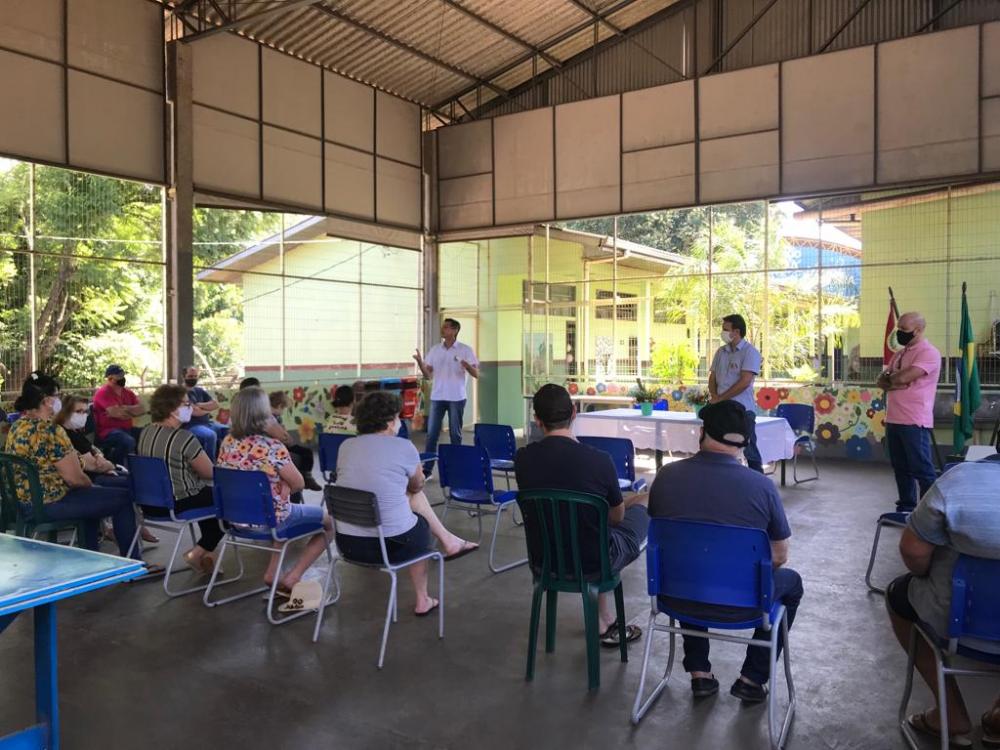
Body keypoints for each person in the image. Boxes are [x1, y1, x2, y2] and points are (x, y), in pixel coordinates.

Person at [647, 399, 802, 703]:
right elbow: (780, 555)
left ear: (701, 432)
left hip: (673, 596)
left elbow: (661, 538)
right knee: (792, 583)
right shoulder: (761, 487)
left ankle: (699, 674)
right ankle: (752, 679)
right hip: (745, 604)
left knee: (691, 565)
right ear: (744, 443)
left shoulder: (666, 477)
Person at [514, 383, 650, 647]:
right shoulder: (598, 461)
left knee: (584, 525)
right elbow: (617, 519)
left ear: (537, 420)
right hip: (595, 561)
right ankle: (607, 620)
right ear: (574, 413)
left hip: (546, 559)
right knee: (643, 506)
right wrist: (635, 502)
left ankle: (604, 619)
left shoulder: (523, 459)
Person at [885, 459, 1000, 747]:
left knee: (899, 594)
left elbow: (912, 550)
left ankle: (949, 712)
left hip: (959, 623)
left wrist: (926, 574)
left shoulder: (958, 480)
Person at [334, 391, 479, 616]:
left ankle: (450, 541)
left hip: (347, 543)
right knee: (419, 522)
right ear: (391, 421)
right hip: (389, 546)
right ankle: (423, 599)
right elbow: (418, 485)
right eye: (398, 417)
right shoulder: (403, 447)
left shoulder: (346, 446)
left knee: (408, 499)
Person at [4, 373, 152, 567]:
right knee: (121, 499)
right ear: (47, 401)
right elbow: (75, 479)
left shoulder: (18, 427)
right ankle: (135, 565)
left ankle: (91, 561)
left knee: (92, 499)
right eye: (57, 396)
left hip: (23, 503)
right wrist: (90, 485)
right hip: (49, 504)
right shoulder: (51, 431)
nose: (59, 400)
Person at [217, 387, 333, 594]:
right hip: (272, 519)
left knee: (276, 510)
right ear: (265, 414)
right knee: (329, 522)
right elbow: (299, 484)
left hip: (235, 519)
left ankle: (273, 573)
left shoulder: (227, 442)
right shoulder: (272, 446)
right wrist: (286, 485)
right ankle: (293, 577)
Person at [137, 384, 225, 574]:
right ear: (171, 408)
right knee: (229, 500)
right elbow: (209, 472)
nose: (191, 408)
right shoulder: (184, 437)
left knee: (208, 497)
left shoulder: (146, 432)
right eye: (186, 404)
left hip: (151, 503)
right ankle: (197, 553)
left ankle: (208, 555)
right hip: (179, 501)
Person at [55, 395, 160, 545]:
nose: (83, 416)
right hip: (87, 481)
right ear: (65, 412)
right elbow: (92, 465)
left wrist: (99, 456)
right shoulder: (65, 434)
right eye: (79, 411)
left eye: (86, 412)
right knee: (128, 488)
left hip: (92, 477)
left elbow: (93, 450)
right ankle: (132, 539)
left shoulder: (75, 431)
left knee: (130, 481)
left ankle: (134, 528)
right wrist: (108, 465)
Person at [877, 312, 942, 512]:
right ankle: (906, 506)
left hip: (914, 420)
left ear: (919, 330)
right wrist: (895, 379)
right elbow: (882, 381)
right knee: (900, 468)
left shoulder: (928, 353)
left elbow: (899, 379)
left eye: (904, 330)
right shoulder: (901, 353)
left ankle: (929, 512)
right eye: (899, 328)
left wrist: (895, 379)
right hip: (894, 418)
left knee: (922, 469)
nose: (899, 333)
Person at [413, 318, 479, 475]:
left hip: (457, 397)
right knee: (431, 435)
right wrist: (421, 362)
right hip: (438, 397)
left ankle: (457, 468)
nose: (443, 330)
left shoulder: (465, 350)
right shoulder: (435, 350)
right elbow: (428, 375)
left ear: (455, 330)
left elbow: (476, 374)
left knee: (455, 435)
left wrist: (467, 365)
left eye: (446, 327)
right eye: (442, 327)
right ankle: (427, 471)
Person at [708, 314, 763, 473]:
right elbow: (712, 377)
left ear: (736, 331)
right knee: (720, 448)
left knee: (749, 449)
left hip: (742, 410)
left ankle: (758, 484)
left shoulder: (750, 352)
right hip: (721, 408)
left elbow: (745, 382)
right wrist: (714, 397)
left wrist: (720, 398)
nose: (722, 332)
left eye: (726, 329)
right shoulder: (721, 352)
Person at [92, 364, 146, 466]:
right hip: (107, 432)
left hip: (127, 428)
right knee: (128, 441)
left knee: (147, 433)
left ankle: (140, 465)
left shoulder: (128, 392)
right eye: (119, 376)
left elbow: (142, 409)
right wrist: (131, 412)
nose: (122, 378)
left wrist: (124, 409)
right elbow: (116, 413)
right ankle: (116, 464)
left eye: (123, 375)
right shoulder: (103, 392)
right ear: (110, 378)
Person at [269, 390, 322, 492]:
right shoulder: (272, 418)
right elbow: (284, 437)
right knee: (307, 453)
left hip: (279, 444)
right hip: (279, 446)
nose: (283, 411)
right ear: (280, 406)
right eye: (283, 409)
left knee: (302, 452)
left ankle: (305, 476)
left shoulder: (270, 416)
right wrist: (288, 439)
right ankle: (306, 477)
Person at [182, 366, 228, 459]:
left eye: (195, 376)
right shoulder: (181, 392)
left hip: (207, 423)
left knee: (228, 430)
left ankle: (224, 460)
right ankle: (210, 466)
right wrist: (207, 409)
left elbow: (215, 404)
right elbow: (194, 412)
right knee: (210, 435)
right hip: (191, 425)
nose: (193, 378)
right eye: (190, 376)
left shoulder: (199, 390)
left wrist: (200, 405)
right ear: (184, 377)